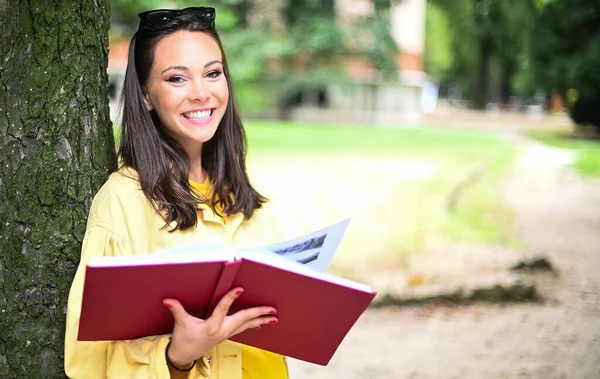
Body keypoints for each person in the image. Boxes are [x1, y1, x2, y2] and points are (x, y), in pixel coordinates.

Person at [64, 7, 289, 379]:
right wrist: (177, 358)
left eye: (212, 73)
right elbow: (89, 365)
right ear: (146, 96)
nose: (202, 93)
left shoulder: (242, 197)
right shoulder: (123, 202)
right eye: (177, 79)